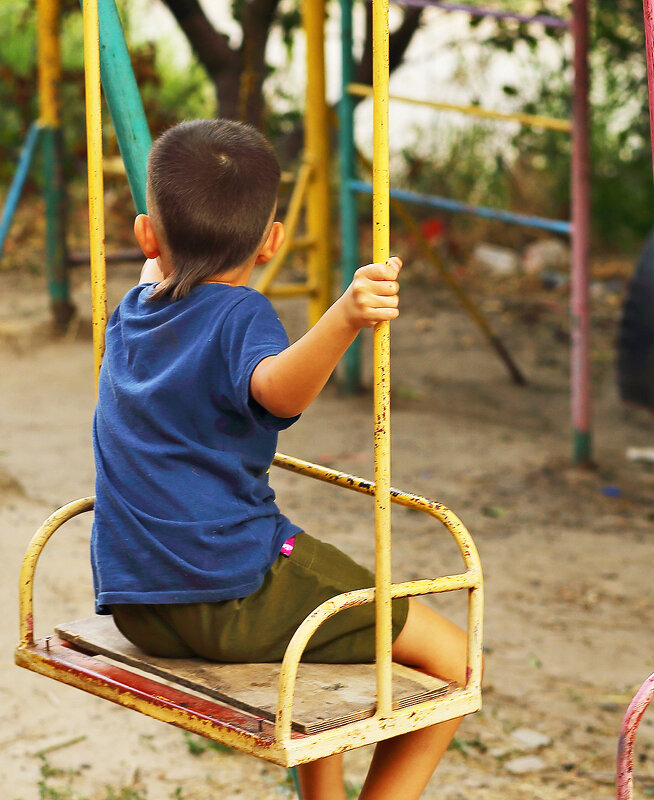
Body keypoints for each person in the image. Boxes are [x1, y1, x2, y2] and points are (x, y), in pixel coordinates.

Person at [91, 119, 471, 800]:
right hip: (230, 593)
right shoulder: (242, 316)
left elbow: (161, 268)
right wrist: (346, 316)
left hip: (138, 604)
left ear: (147, 236)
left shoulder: (130, 311)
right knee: (454, 657)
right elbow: (275, 388)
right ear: (272, 242)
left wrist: (161, 245)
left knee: (309, 616)